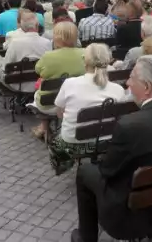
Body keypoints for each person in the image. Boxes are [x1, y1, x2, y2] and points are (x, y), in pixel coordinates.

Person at [70, 56, 152, 242]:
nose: (127, 82)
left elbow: (108, 171)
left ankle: (86, 237)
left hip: (128, 214)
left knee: (85, 171)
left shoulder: (129, 125)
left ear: (146, 87)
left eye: (131, 78)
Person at [50, 43, 126, 174]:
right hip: (106, 141)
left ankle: (63, 166)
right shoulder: (118, 90)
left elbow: (59, 113)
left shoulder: (70, 84)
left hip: (73, 144)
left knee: (55, 141)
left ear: (85, 61)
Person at [0, 11, 52, 118]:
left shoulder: (16, 43)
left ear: (22, 27)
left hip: (17, 83)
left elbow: (5, 67)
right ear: (37, 26)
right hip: (39, 83)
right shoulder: (47, 43)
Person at [32, 22, 86, 138]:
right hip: (76, 100)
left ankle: (44, 127)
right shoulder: (85, 53)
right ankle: (44, 128)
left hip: (50, 103)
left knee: (38, 93)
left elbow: (38, 70)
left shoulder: (48, 56)